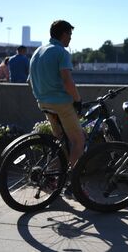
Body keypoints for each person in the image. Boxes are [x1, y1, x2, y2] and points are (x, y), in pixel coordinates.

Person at [28, 20, 84, 168]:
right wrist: (78, 100)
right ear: (64, 34)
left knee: (60, 143)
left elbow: (30, 80)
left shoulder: (37, 51)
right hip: (61, 103)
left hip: (43, 102)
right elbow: (67, 81)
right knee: (78, 141)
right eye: (70, 34)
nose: (71, 38)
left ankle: (52, 178)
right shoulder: (61, 52)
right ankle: (74, 182)